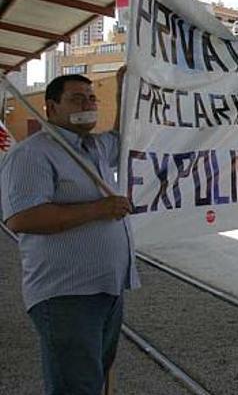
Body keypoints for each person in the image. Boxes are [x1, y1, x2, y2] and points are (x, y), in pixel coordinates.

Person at [1, 71, 139, 395]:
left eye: (92, 98)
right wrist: (97, 209)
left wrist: (124, 91)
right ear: (51, 107)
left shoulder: (95, 147)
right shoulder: (32, 154)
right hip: (66, 295)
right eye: (77, 98)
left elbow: (125, 135)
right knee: (76, 386)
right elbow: (21, 218)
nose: (87, 104)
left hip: (107, 290)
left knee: (92, 381)